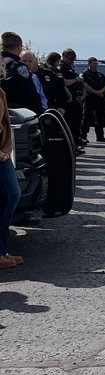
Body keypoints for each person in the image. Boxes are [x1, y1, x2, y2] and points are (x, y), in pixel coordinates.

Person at [0, 89, 21, 270]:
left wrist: (6, 149)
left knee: (11, 194)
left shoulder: (0, 92)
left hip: (2, 154)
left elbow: (6, 123)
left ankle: (2, 250)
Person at [1, 31, 41, 113]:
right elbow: (30, 92)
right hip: (17, 113)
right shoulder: (18, 67)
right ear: (19, 47)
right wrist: (39, 112)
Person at [58, 49, 86, 151]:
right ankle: (71, 146)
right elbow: (64, 83)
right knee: (70, 123)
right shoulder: (62, 68)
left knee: (76, 123)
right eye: (70, 58)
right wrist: (76, 79)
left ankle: (75, 142)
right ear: (65, 56)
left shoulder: (70, 68)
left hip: (76, 98)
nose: (72, 60)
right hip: (70, 100)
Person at [80, 56, 105, 143]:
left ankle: (100, 136)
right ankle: (83, 136)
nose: (95, 65)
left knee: (100, 118)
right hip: (90, 99)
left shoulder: (100, 75)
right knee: (86, 118)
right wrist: (95, 92)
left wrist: (101, 91)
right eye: (94, 64)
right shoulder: (85, 74)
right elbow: (85, 86)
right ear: (89, 64)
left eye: (96, 64)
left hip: (100, 99)